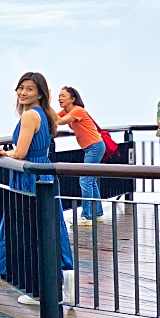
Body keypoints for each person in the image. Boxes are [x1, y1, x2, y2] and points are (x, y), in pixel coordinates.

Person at [0, 72, 75, 305]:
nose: (22, 93)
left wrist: (5, 153)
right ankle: (63, 285)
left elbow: (20, 153)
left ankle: (40, 292)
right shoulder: (46, 114)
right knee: (49, 228)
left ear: (40, 92)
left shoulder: (30, 116)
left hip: (29, 177)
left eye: (29, 89)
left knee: (29, 231)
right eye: (20, 88)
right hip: (44, 171)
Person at [55, 86, 105, 226]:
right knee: (91, 181)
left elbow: (59, 121)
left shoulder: (77, 110)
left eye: (63, 96)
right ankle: (98, 213)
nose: (60, 98)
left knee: (85, 180)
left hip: (94, 146)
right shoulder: (66, 111)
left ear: (72, 98)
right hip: (91, 147)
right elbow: (53, 118)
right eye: (59, 96)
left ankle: (87, 216)